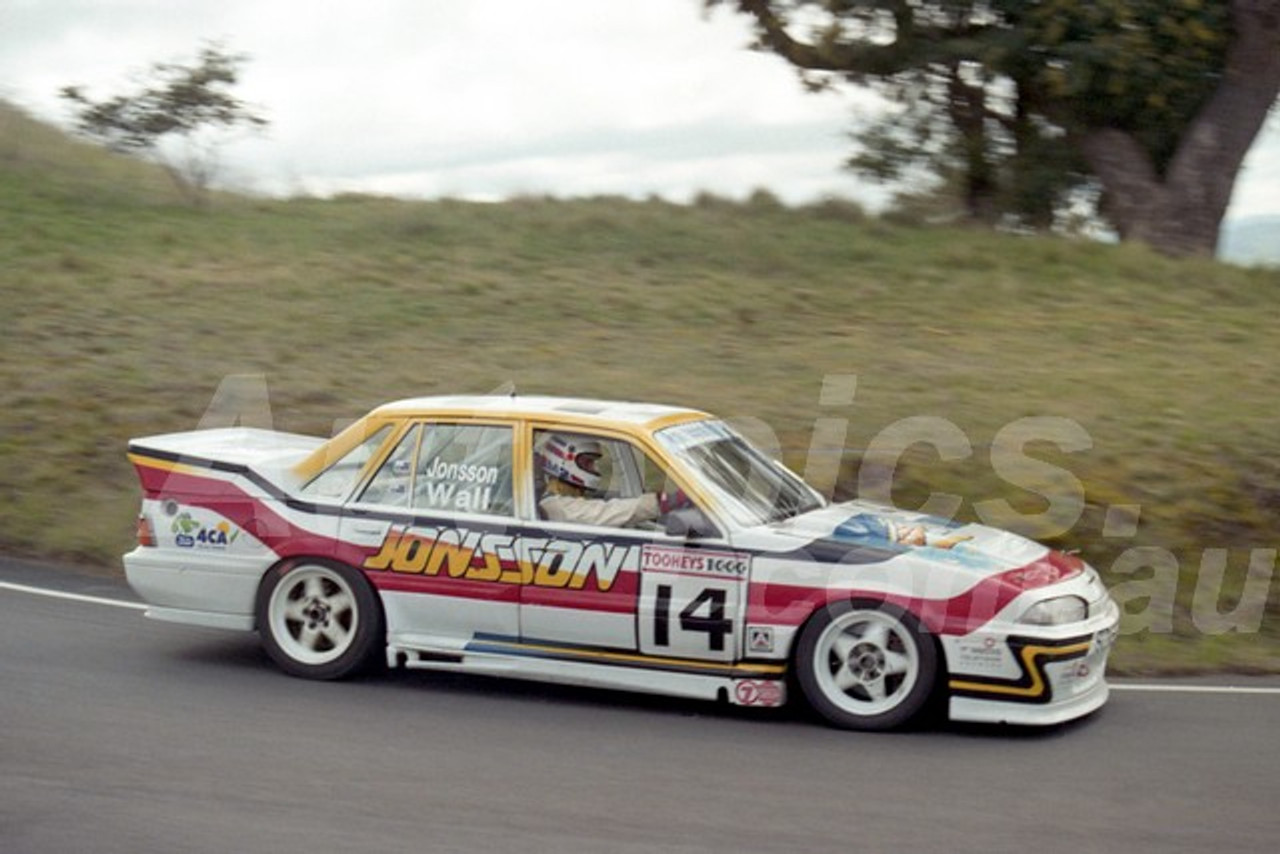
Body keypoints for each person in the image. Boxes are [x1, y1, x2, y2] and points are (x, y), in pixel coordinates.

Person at [538, 433, 686, 528]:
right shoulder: (555, 506)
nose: (595, 469)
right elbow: (605, 512)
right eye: (588, 462)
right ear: (563, 461)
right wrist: (664, 502)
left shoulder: (565, 498)